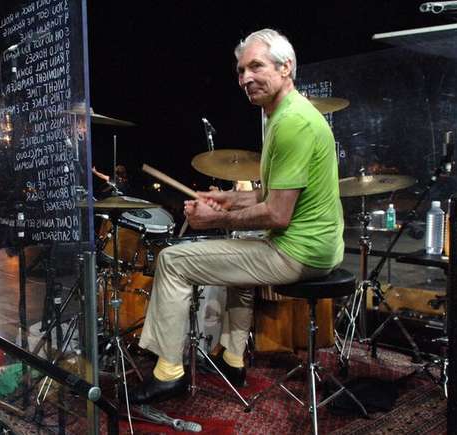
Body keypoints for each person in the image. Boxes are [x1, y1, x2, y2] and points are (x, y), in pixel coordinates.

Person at [130, 28, 344, 404]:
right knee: (238, 264)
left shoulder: (293, 123)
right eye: (241, 71)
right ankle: (232, 357)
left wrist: (213, 221)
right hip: (319, 247)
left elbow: (277, 214)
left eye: (256, 66)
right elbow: (271, 194)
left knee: (173, 260)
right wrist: (229, 200)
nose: (245, 78)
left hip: (299, 253)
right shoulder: (288, 114)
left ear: (286, 67)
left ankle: (168, 373)